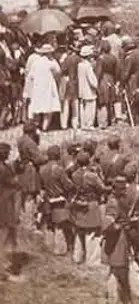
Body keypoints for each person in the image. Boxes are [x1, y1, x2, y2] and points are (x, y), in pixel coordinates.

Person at [71, 150, 110, 266]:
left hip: (79, 204)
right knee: (92, 234)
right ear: (88, 161)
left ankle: (77, 257)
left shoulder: (74, 175)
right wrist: (110, 187)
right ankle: (92, 261)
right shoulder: (92, 176)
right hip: (91, 204)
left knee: (79, 232)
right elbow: (102, 188)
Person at [39, 145, 75, 256]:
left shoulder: (42, 169)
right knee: (60, 225)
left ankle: (48, 247)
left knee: (50, 224)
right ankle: (60, 249)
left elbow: (41, 186)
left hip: (47, 199)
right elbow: (68, 185)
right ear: (57, 155)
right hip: (59, 200)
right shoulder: (59, 169)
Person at [23, 42, 61, 131]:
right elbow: (58, 71)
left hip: (37, 87)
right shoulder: (51, 62)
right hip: (48, 86)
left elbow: (31, 76)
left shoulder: (36, 62)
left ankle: (35, 126)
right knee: (48, 108)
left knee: (36, 107)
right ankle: (44, 127)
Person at [0, 142, 19, 282]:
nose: (9, 154)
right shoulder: (3, 169)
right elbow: (14, 182)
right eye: (7, 152)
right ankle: (4, 270)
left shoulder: (4, 167)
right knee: (6, 238)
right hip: (4, 206)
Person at [96, 40, 119, 129]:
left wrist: (96, 81)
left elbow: (99, 71)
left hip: (103, 79)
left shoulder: (101, 58)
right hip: (111, 78)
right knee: (110, 100)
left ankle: (103, 122)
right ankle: (110, 120)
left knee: (103, 101)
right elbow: (116, 71)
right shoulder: (113, 58)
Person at [77, 44, 98, 130]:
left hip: (81, 88)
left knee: (82, 107)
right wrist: (96, 85)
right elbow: (92, 79)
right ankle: (89, 124)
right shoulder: (88, 66)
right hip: (89, 89)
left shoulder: (79, 65)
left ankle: (83, 124)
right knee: (90, 107)